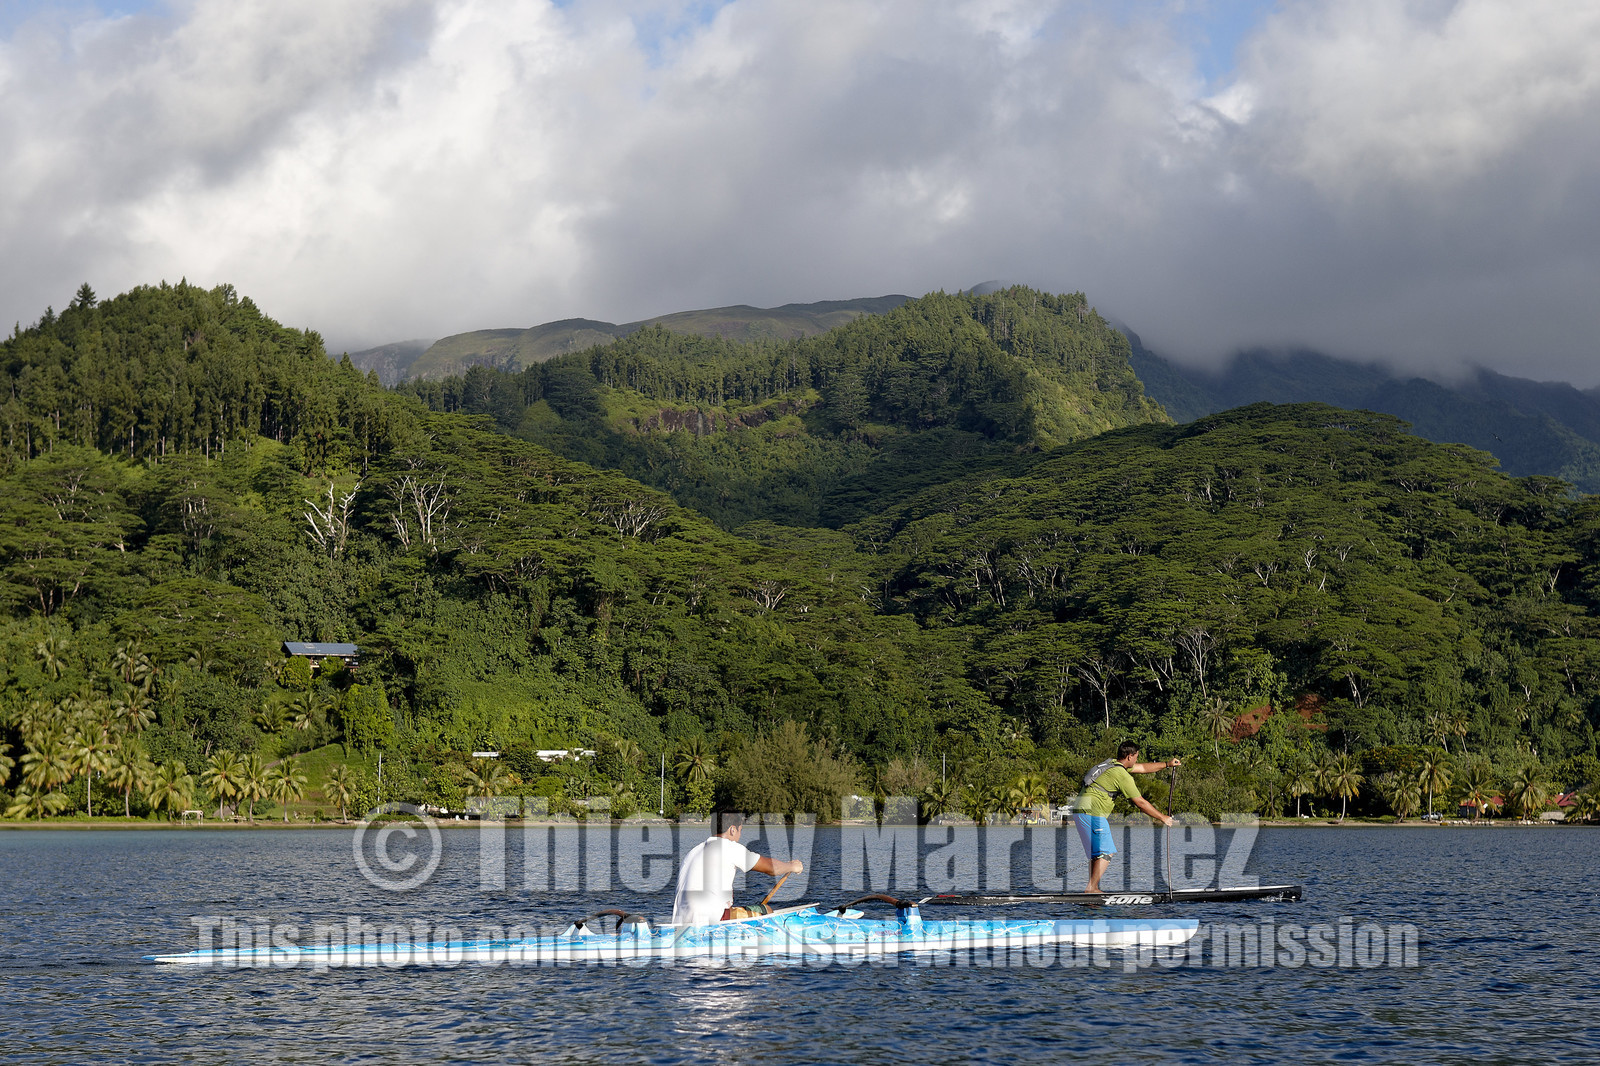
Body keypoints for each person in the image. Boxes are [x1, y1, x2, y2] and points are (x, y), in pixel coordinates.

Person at [1073, 743, 1181, 893]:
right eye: (1136, 757)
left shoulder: (1112, 764)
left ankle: (1092, 889)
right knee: (1106, 852)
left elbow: (1143, 768)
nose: (1137, 760)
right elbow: (1140, 803)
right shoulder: (1122, 775)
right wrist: (1163, 817)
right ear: (1130, 756)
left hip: (1080, 811)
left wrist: (1167, 764)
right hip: (1093, 812)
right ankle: (1092, 889)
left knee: (1097, 854)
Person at [672, 811, 804, 926]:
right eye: (740, 830)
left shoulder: (693, 851)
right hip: (710, 921)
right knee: (766, 910)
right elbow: (770, 867)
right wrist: (792, 866)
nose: (739, 835)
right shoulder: (729, 847)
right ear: (732, 830)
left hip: (681, 923)